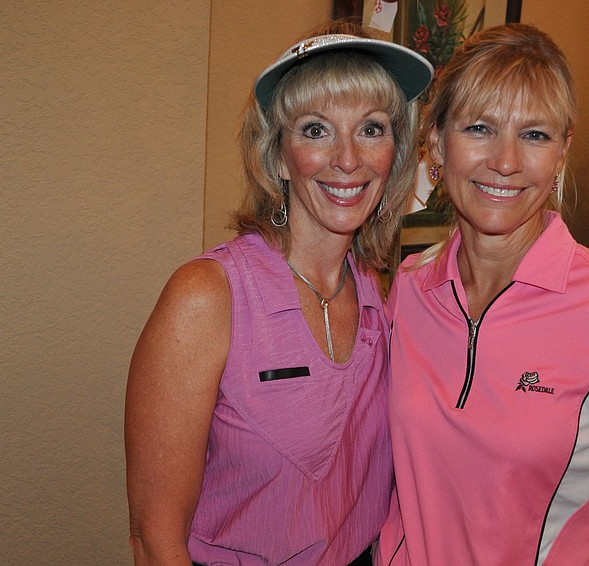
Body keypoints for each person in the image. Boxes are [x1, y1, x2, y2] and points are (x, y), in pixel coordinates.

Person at [375, 23, 589, 565]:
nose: (505, 161)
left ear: (562, 151)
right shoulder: (409, 287)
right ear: (436, 140)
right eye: (479, 128)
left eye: (534, 135)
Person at [125, 21, 432, 566]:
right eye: (316, 130)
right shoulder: (207, 297)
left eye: (372, 128)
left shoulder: (374, 290)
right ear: (276, 156)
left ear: (397, 153)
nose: (347, 159)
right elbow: (156, 542)